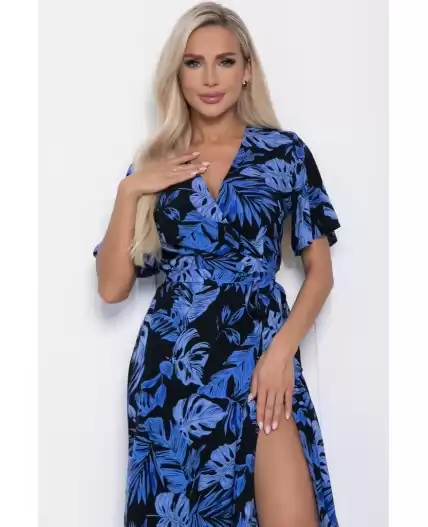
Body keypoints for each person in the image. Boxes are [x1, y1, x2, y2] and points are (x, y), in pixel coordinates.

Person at [93, 2, 341, 526]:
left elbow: (320, 273)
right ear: (177, 74)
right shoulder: (154, 163)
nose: (210, 78)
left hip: (262, 356)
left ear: (246, 70)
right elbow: (112, 288)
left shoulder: (285, 153)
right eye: (194, 63)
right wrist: (130, 189)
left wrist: (280, 354)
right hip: (172, 370)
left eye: (225, 61)